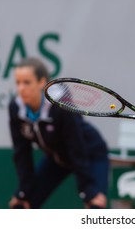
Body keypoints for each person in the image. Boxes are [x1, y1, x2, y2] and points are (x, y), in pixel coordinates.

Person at [8, 57, 109, 209]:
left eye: (27, 82)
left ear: (41, 82)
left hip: (90, 154)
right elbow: (22, 152)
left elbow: (76, 146)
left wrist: (87, 190)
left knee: (95, 206)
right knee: (22, 205)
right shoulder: (15, 108)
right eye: (18, 83)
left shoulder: (60, 104)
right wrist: (23, 190)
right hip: (57, 159)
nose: (21, 88)